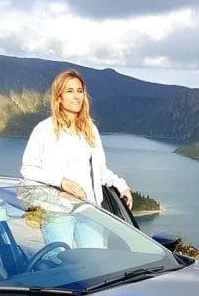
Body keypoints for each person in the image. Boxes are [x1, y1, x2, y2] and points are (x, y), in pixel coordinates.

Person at [20, 69, 132, 247]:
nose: (76, 96)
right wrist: (61, 181)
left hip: (89, 210)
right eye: (69, 91)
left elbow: (100, 170)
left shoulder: (90, 130)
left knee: (94, 262)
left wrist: (121, 184)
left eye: (79, 91)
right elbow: (28, 169)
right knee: (61, 262)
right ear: (58, 97)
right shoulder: (44, 130)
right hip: (57, 211)